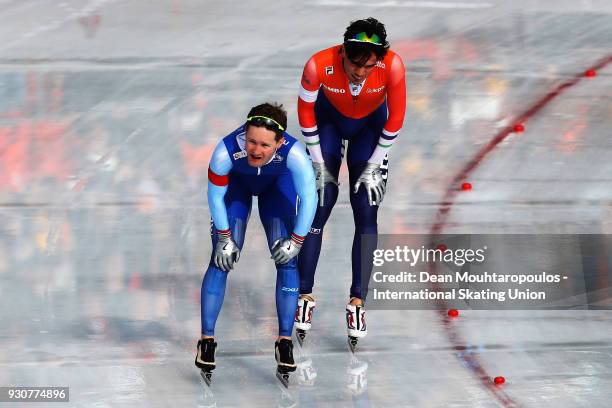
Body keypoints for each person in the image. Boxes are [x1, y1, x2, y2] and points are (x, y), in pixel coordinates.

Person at [295, 18, 406, 348]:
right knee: (320, 204)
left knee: (367, 211)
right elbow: (305, 113)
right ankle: (303, 294)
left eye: (369, 67)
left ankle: (358, 302)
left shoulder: (393, 65)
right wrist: (318, 164)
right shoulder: (319, 64)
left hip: (369, 131)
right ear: (343, 52)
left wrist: (375, 165)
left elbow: (396, 118)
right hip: (326, 127)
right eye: (355, 65)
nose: (361, 73)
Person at [194, 102, 317, 384]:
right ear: (244, 134)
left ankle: (284, 341)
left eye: (264, 145)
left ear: (280, 142)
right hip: (237, 187)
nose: (255, 150)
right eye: (251, 141)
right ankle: (207, 340)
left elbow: (310, 198)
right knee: (221, 258)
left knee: (287, 260)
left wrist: (297, 241)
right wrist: (224, 237)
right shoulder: (225, 151)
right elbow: (215, 196)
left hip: (277, 188)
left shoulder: (295, 154)